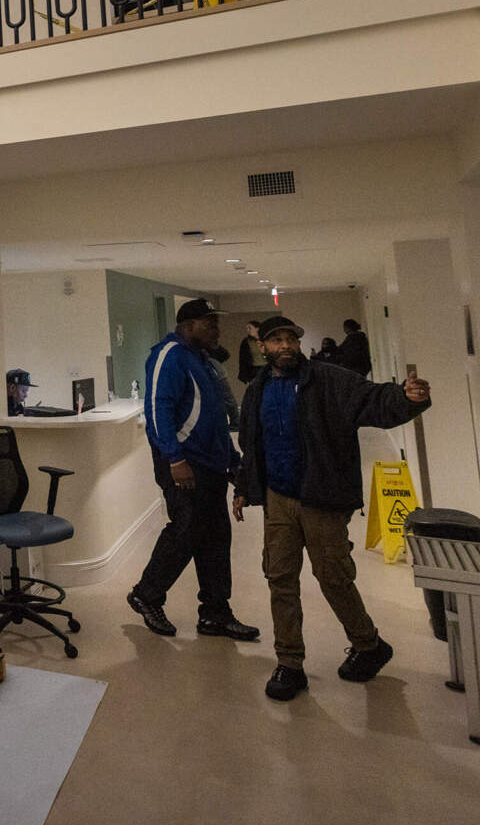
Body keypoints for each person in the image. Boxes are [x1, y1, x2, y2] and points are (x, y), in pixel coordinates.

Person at [232, 316, 431, 701]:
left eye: (291, 338)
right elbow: (251, 444)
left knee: (333, 577)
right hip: (278, 500)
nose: (285, 345)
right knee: (280, 579)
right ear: (264, 348)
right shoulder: (257, 390)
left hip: (321, 497)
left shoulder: (328, 379)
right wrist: (243, 487)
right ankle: (289, 664)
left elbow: (372, 399)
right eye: (276, 340)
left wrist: (406, 398)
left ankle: (368, 644)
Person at [127, 300, 259, 641]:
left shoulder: (201, 359)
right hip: (184, 463)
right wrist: (174, 459)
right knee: (186, 528)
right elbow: (157, 410)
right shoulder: (168, 355)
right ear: (187, 325)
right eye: (209, 323)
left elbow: (214, 418)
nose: (216, 329)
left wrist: (231, 458)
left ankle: (215, 613)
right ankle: (147, 593)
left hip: (210, 463)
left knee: (216, 537)